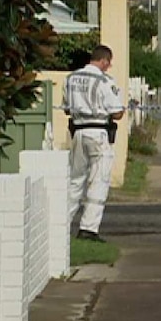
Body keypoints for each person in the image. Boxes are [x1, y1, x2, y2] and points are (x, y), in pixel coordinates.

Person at [63, 45, 125, 243]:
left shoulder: (70, 78)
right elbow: (117, 112)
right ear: (104, 60)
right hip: (98, 132)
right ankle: (88, 228)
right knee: (99, 180)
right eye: (109, 63)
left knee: (75, 180)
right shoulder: (105, 80)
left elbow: (66, 109)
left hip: (78, 132)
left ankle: (63, 223)